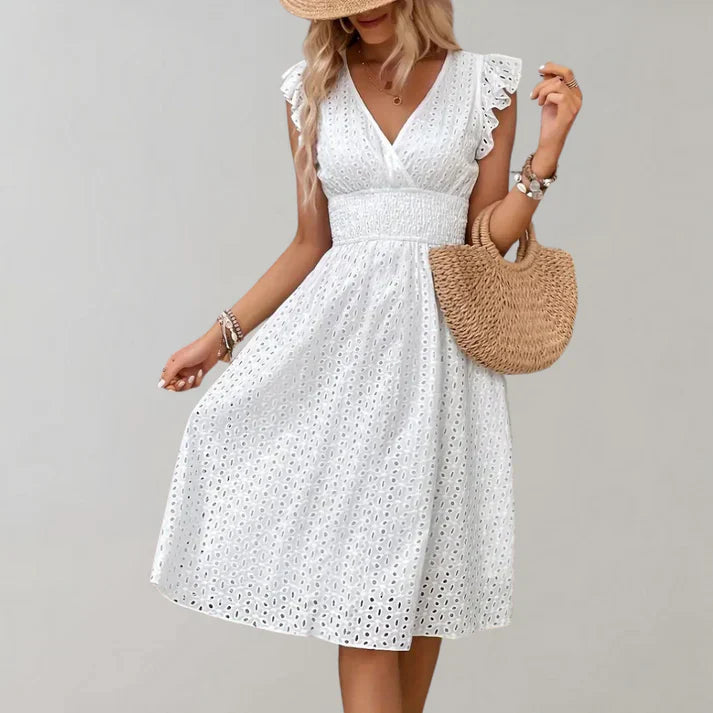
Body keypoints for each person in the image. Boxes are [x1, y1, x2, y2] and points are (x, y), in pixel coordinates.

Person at [150, 1, 582, 711]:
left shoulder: (485, 85)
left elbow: (483, 240)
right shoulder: (310, 90)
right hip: (343, 357)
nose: (361, 11)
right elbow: (309, 242)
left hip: (443, 359)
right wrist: (221, 335)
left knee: (419, 594)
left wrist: (547, 154)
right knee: (366, 598)